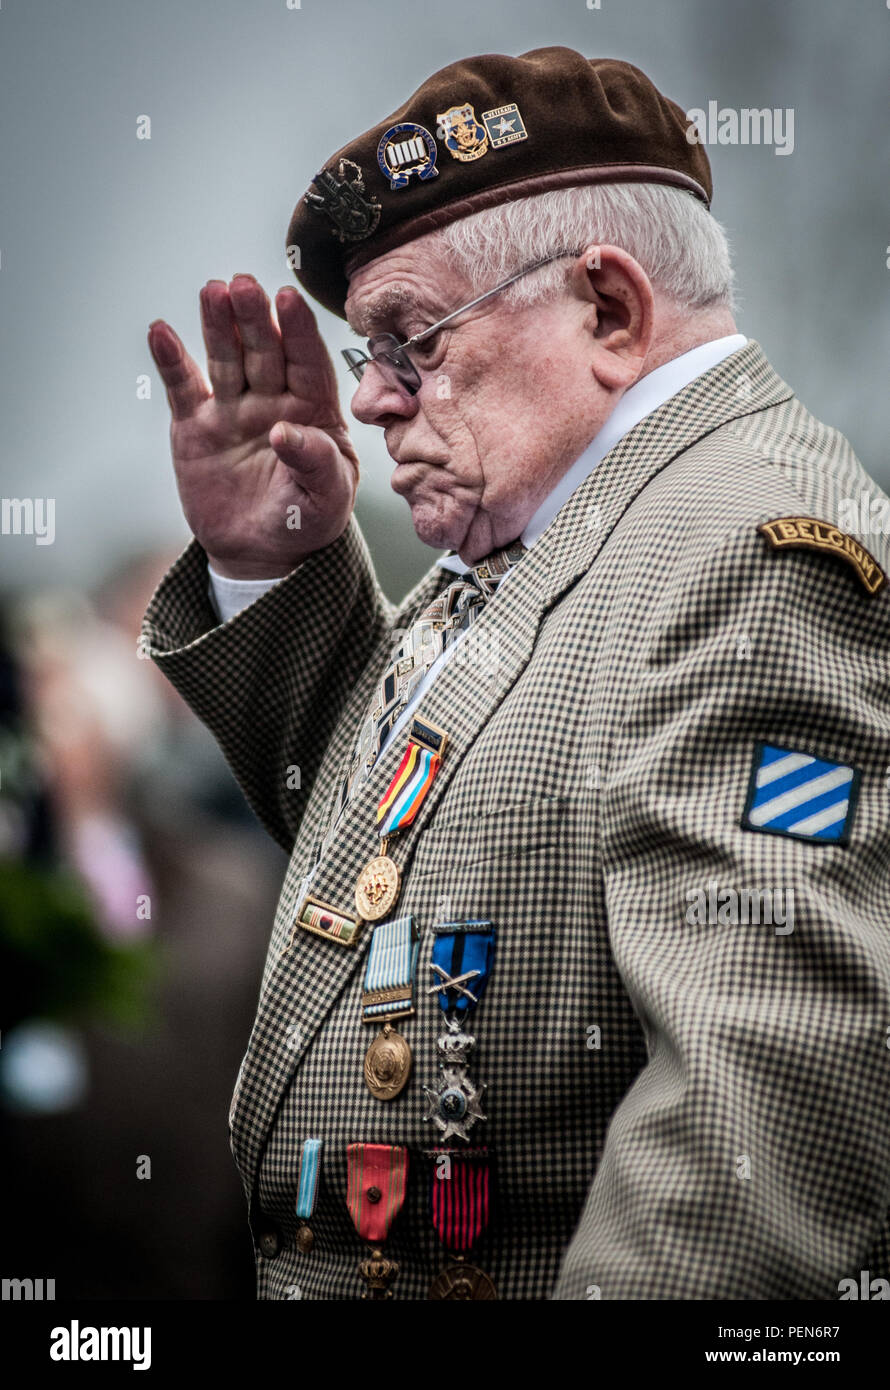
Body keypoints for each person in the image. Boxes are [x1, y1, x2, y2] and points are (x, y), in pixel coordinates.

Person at [142, 47, 890, 1300]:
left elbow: (756, 1125)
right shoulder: (584, 522)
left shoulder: (750, 558)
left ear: (605, 308)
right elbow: (399, 868)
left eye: (408, 340)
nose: (369, 400)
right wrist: (273, 560)